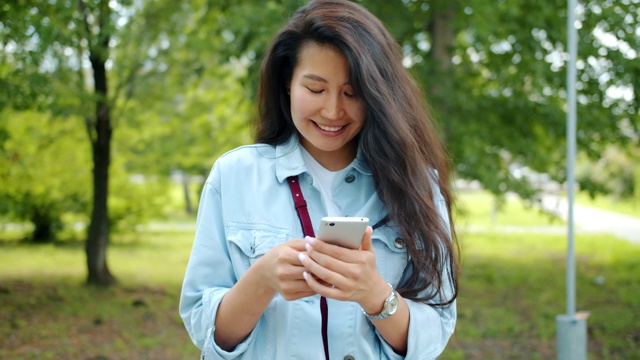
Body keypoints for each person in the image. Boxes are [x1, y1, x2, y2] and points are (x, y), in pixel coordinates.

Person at [179, 0, 459, 359]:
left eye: (352, 92)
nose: (332, 111)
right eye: (315, 89)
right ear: (286, 83)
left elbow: (434, 332)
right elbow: (208, 332)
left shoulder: (418, 184)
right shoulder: (234, 176)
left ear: (377, 94)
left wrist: (375, 294)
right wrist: (262, 278)